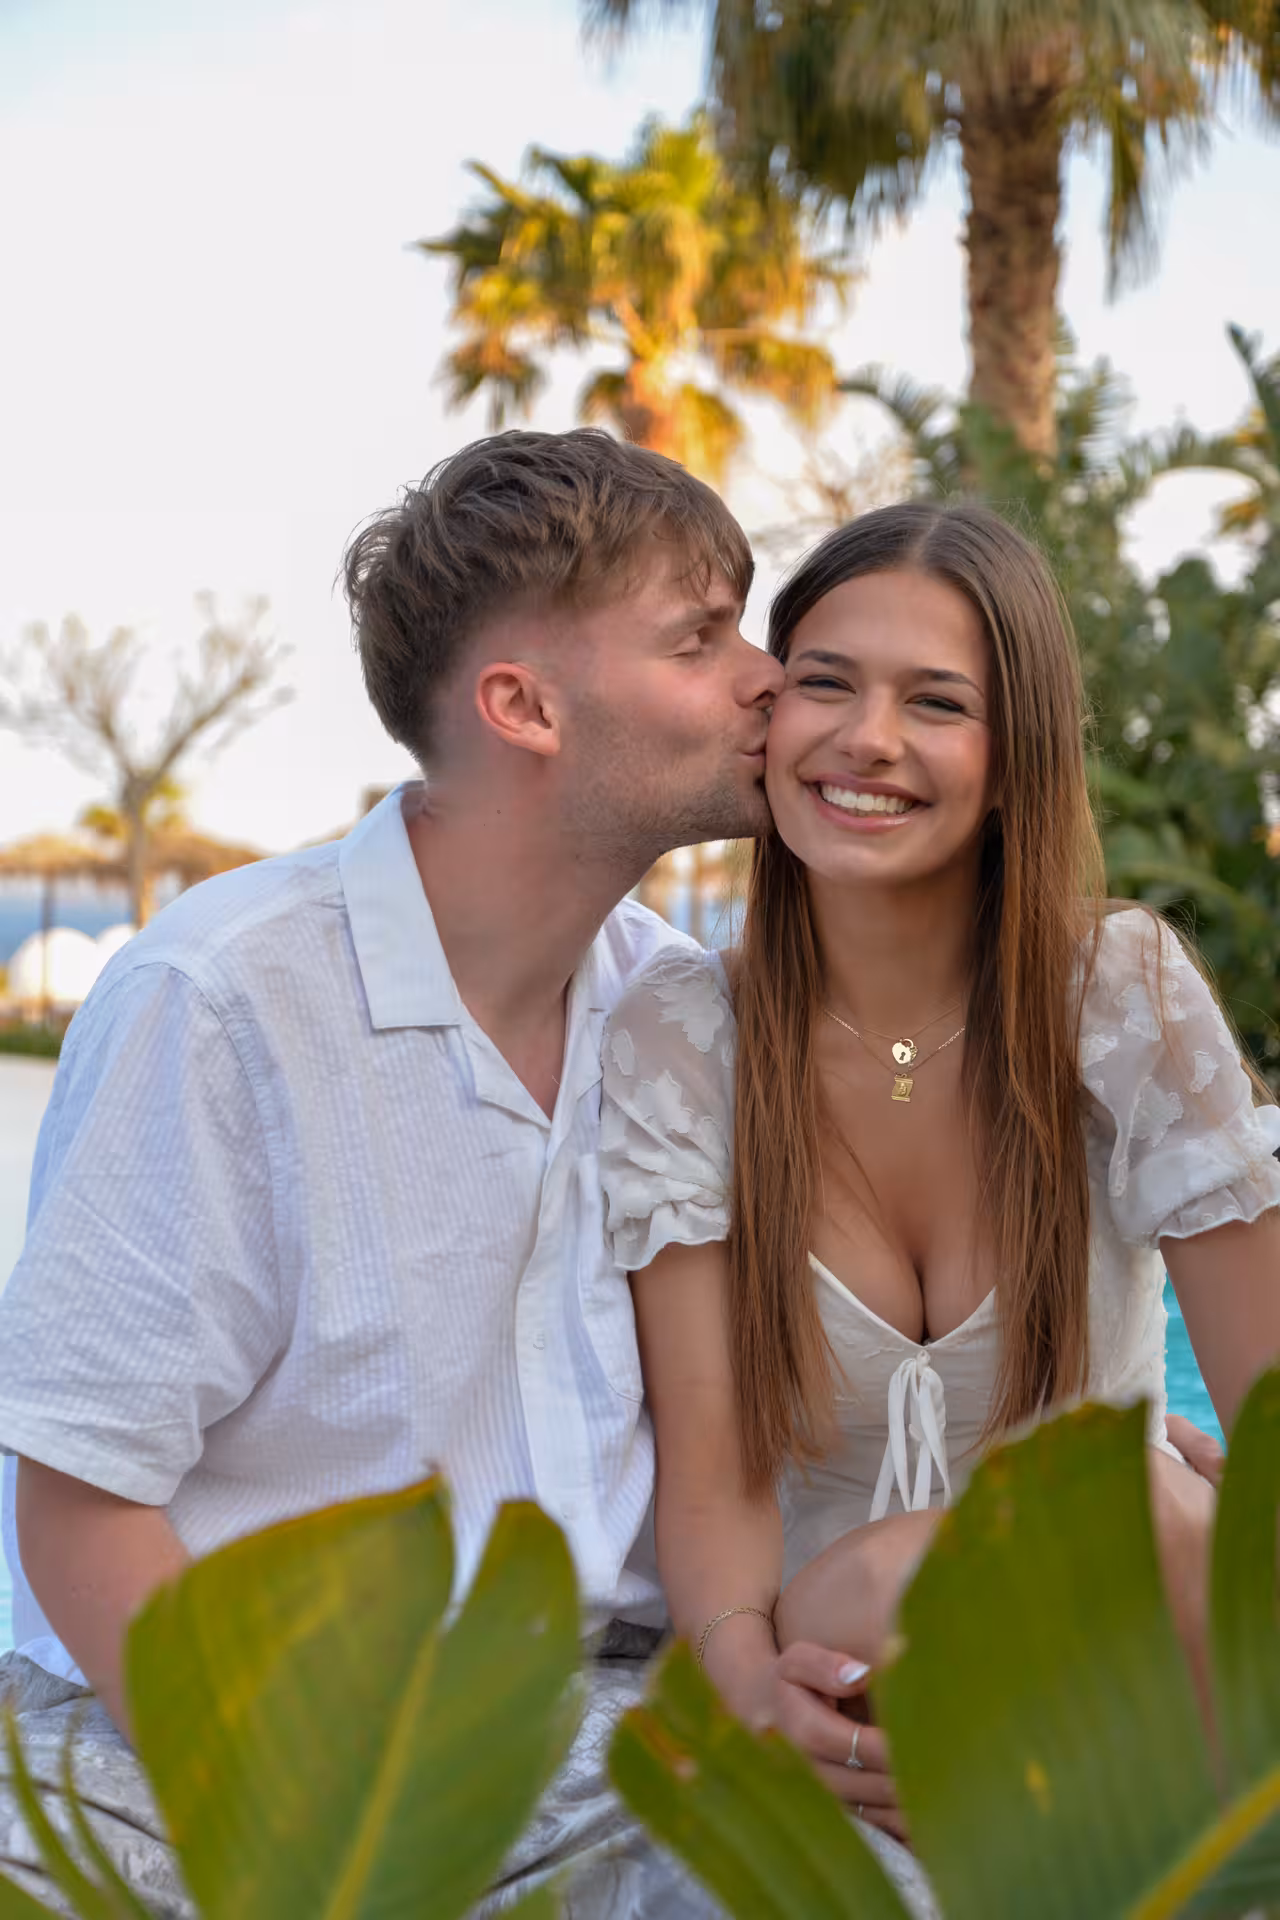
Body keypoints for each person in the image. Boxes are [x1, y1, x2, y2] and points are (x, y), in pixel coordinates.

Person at [0, 429, 898, 1920]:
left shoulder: (683, 1014)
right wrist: (303, 1805)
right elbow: (81, 1496)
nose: (768, 679)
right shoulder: (221, 1004)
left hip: (601, 1723)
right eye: (701, 637)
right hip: (194, 1732)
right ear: (522, 705)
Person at [599, 501, 1280, 1838]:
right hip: (857, 1669)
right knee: (1010, 1548)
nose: (868, 739)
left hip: (1138, 1622)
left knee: (1135, 1498)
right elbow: (717, 1476)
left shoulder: (1119, 994)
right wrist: (746, 1689)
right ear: (769, 720)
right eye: (826, 684)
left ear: (1016, 759)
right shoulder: (683, 1039)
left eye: (939, 703)